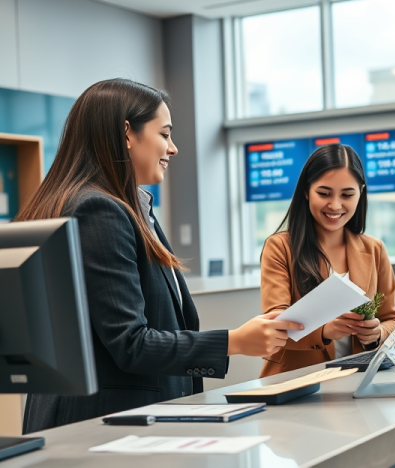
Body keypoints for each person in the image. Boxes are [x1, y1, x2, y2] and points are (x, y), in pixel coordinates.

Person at [18, 78, 303, 432]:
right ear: (127, 134)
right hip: (104, 425)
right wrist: (236, 341)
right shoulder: (98, 210)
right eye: (164, 134)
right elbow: (131, 343)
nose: (173, 148)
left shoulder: (122, 206)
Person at [259, 144, 395, 377]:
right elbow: (275, 324)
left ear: (361, 193)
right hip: (297, 382)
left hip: (357, 380)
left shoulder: (374, 249)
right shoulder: (280, 247)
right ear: (307, 191)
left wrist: (377, 333)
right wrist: (324, 331)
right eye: (324, 193)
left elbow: (392, 318)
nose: (335, 205)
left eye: (347, 195)